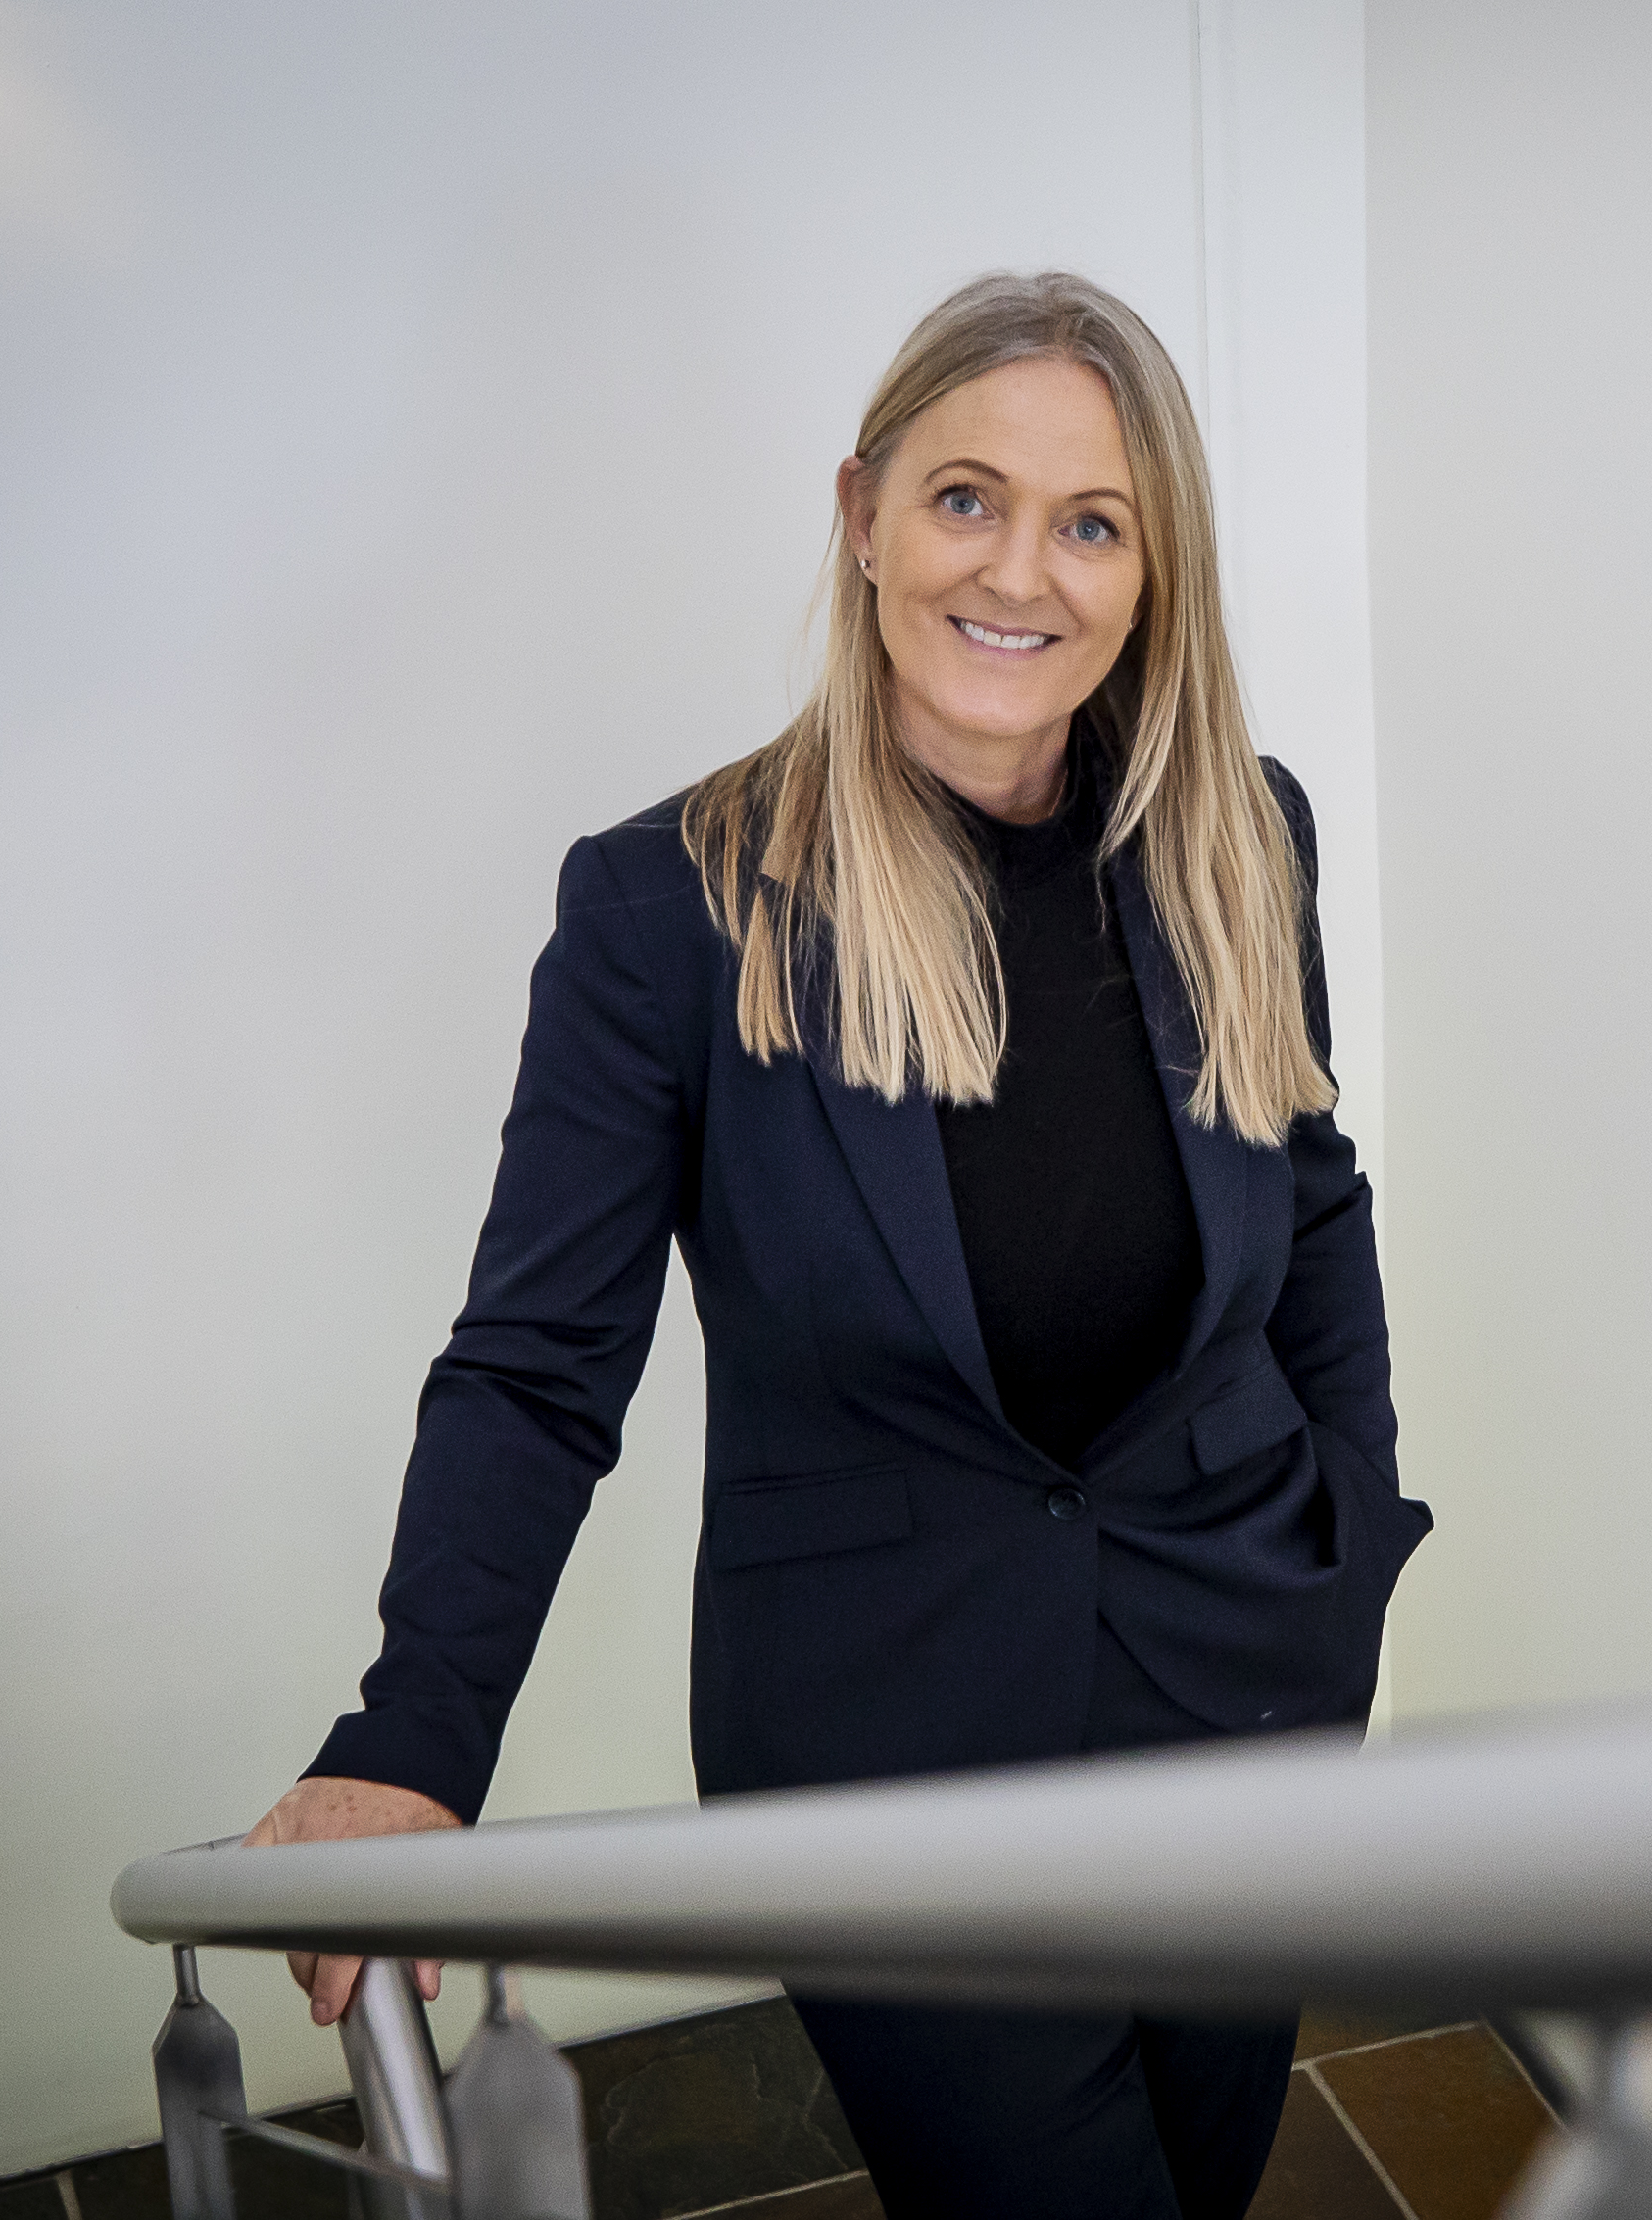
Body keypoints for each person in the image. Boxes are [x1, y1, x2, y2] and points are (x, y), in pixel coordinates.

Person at [239, 269, 1431, 2219]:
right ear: (863, 512)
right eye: (966, 498)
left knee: (1204, 2182)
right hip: (890, 1749)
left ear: (1152, 575)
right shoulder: (668, 910)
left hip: (1240, 1687)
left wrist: (1350, 1541)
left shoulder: (1240, 835)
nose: (1018, 571)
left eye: (1091, 523)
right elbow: (538, 1367)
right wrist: (412, 1734)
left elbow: (1312, 1201)